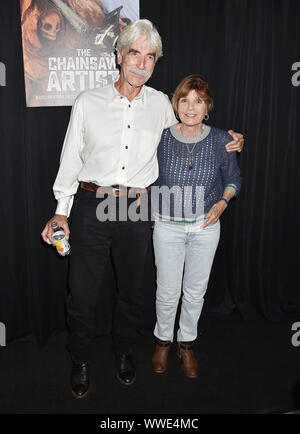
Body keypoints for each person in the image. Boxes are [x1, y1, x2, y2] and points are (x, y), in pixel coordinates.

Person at [41, 19, 244, 399]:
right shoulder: (88, 102)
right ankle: (81, 359)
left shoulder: (162, 106)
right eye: (134, 52)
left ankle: (123, 353)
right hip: (92, 203)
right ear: (118, 56)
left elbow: (193, 129)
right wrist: (61, 210)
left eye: (150, 57)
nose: (141, 63)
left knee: (132, 293)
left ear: (155, 64)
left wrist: (229, 138)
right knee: (82, 293)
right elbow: (69, 160)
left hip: (136, 208)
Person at [151, 75, 242, 378]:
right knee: (167, 291)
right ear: (175, 105)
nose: (191, 107)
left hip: (206, 226)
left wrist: (222, 203)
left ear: (208, 107)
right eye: (185, 100)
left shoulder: (221, 139)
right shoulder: (160, 137)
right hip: (167, 226)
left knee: (195, 291)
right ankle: (163, 340)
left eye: (198, 100)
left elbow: (233, 179)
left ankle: (186, 343)